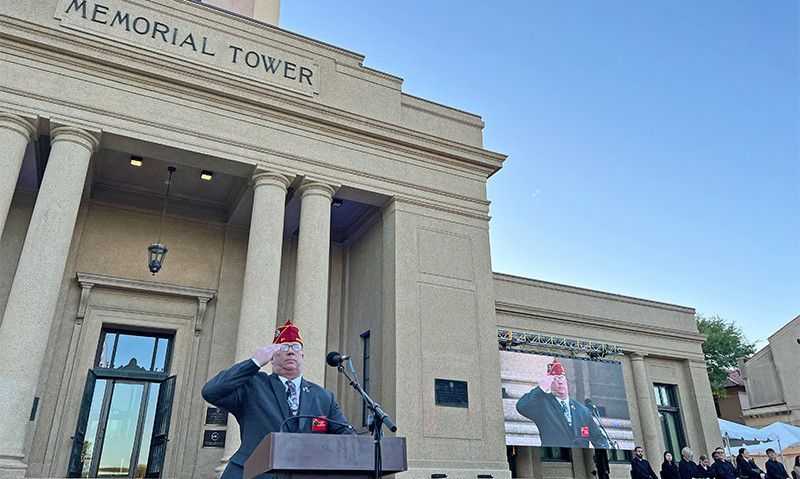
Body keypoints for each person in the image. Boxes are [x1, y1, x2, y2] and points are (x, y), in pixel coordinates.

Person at [202, 319, 356, 479]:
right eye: (283, 347)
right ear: (272, 357)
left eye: (296, 347)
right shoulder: (252, 385)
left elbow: (347, 435)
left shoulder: (323, 397)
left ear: (302, 355)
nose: (291, 351)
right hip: (253, 473)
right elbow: (211, 391)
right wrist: (254, 362)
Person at [515, 358, 609, 448]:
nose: (560, 382)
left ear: (566, 382)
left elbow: (598, 437)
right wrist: (541, 388)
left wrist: (603, 454)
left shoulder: (582, 410)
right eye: (555, 379)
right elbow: (521, 406)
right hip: (556, 459)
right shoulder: (543, 405)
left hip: (581, 459)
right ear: (549, 384)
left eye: (561, 378)